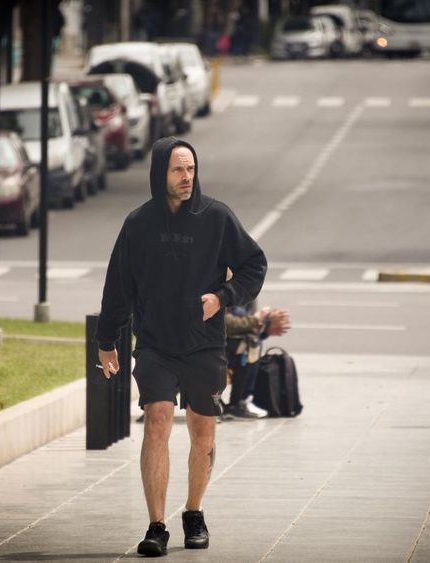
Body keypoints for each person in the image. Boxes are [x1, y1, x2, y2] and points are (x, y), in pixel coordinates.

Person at [95, 137, 267, 556]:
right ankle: (156, 526)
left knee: (202, 430)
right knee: (157, 420)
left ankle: (194, 512)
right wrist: (106, 341)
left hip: (204, 344)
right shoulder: (139, 223)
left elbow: (254, 264)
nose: (187, 177)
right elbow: (118, 285)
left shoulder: (217, 217)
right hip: (154, 342)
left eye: (191, 169)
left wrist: (223, 297)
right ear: (161, 173)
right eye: (178, 170)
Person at [224, 303, 291, 419]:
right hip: (207, 344)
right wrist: (256, 320)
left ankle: (240, 401)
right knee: (248, 347)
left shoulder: (248, 291)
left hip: (227, 343)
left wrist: (265, 326)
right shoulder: (216, 288)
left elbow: (250, 329)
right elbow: (223, 323)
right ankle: (237, 402)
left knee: (252, 343)